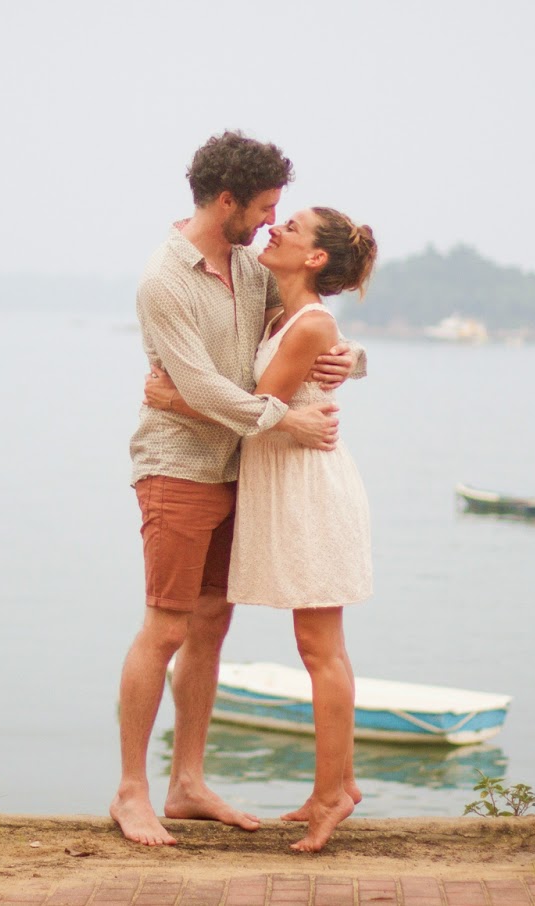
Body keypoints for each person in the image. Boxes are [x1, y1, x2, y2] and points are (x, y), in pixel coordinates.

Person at [111, 132, 361, 847]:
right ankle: (133, 791)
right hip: (180, 466)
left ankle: (187, 784)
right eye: (263, 207)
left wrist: (349, 359)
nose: (269, 220)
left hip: (240, 471)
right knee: (164, 625)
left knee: (211, 625)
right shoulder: (165, 280)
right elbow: (201, 391)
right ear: (227, 202)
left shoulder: (250, 269)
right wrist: (289, 422)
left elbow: (299, 333)